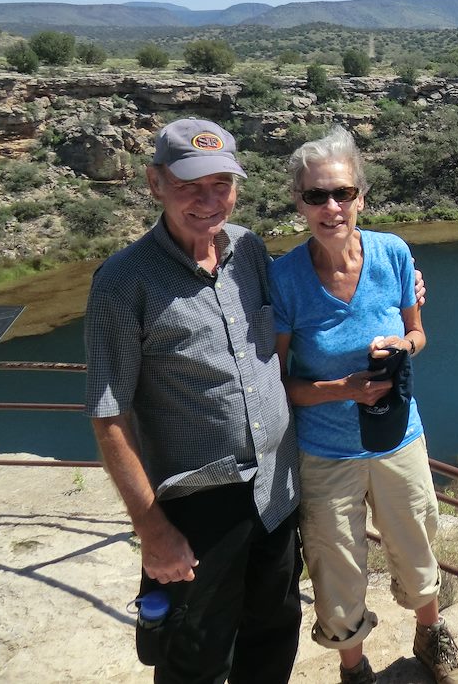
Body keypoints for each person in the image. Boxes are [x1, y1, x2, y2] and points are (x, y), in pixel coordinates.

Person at [84, 118, 302, 684]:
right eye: (189, 185)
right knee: (195, 654)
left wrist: (397, 287)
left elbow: (312, 301)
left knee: (273, 631)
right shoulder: (122, 282)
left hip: (276, 488)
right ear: (156, 182)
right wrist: (152, 531)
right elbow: (110, 418)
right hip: (199, 503)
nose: (208, 201)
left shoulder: (249, 250)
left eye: (222, 184)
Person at [269, 125, 458, 684]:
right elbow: (278, 383)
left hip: (398, 435)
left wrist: (403, 346)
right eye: (316, 196)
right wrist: (344, 390)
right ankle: (353, 667)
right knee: (336, 562)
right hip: (326, 448)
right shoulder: (284, 278)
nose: (331, 207)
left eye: (342, 193)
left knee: (416, 539)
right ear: (299, 202)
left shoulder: (392, 253)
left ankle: (431, 636)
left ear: (361, 196)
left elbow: (419, 335)